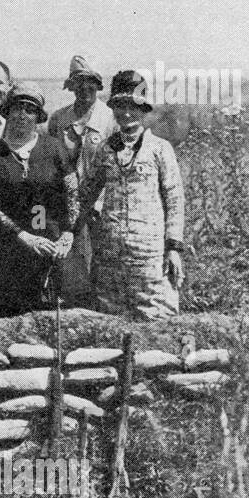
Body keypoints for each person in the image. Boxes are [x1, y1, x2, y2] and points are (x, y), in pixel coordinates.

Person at [76, 71, 186, 320]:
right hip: (110, 252)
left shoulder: (159, 148)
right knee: (110, 319)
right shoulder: (105, 149)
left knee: (157, 317)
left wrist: (173, 248)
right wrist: (68, 231)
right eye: (120, 106)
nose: (126, 113)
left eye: (133, 107)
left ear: (143, 109)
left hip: (149, 253)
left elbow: (174, 199)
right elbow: (86, 194)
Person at [0, 84, 79, 318]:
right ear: (7, 112)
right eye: (17, 108)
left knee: (65, 305)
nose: (22, 116)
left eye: (30, 110)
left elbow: (72, 193)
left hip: (51, 241)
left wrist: (68, 232)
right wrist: (23, 236)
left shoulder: (54, 148)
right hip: (8, 247)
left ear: (38, 116)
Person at [46, 55, 116, 309]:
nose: (85, 89)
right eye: (79, 83)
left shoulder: (110, 118)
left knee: (100, 262)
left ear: (98, 86)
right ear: (71, 87)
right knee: (70, 262)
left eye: (91, 84)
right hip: (66, 203)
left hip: (100, 204)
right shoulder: (59, 119)